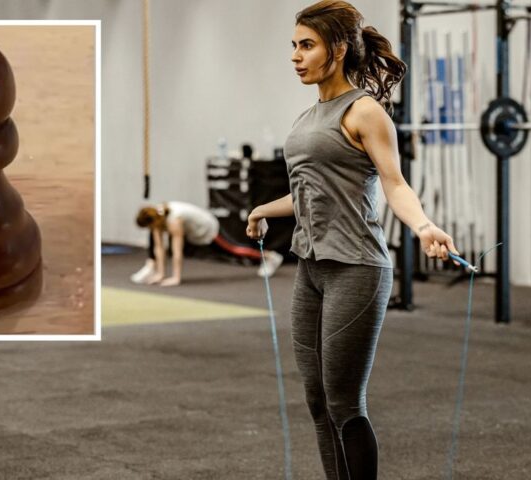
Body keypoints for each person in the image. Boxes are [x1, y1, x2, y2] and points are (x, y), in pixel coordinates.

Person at [245, 2, 460, 478]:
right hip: (311, 268)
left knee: (344, 400)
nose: (296, 56)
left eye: (307, 46)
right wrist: (262, 208)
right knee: (316, 399)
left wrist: (423, 226)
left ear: (337, 50)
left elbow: (395, 184)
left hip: (357, 269)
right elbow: (308, 193)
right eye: (294, 46)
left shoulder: (365, 111)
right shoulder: (307, 117)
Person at [131, 201, 284, 286]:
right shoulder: (156, 218)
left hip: (207, 228)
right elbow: (159, 247)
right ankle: (152, 269)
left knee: (232, 250)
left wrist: (175, 278)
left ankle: (271, 257)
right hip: (194, 232)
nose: (151, 230)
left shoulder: (174, 220)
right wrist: (160, 275)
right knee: (153, 240)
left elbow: (177, 251)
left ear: (152, 222)